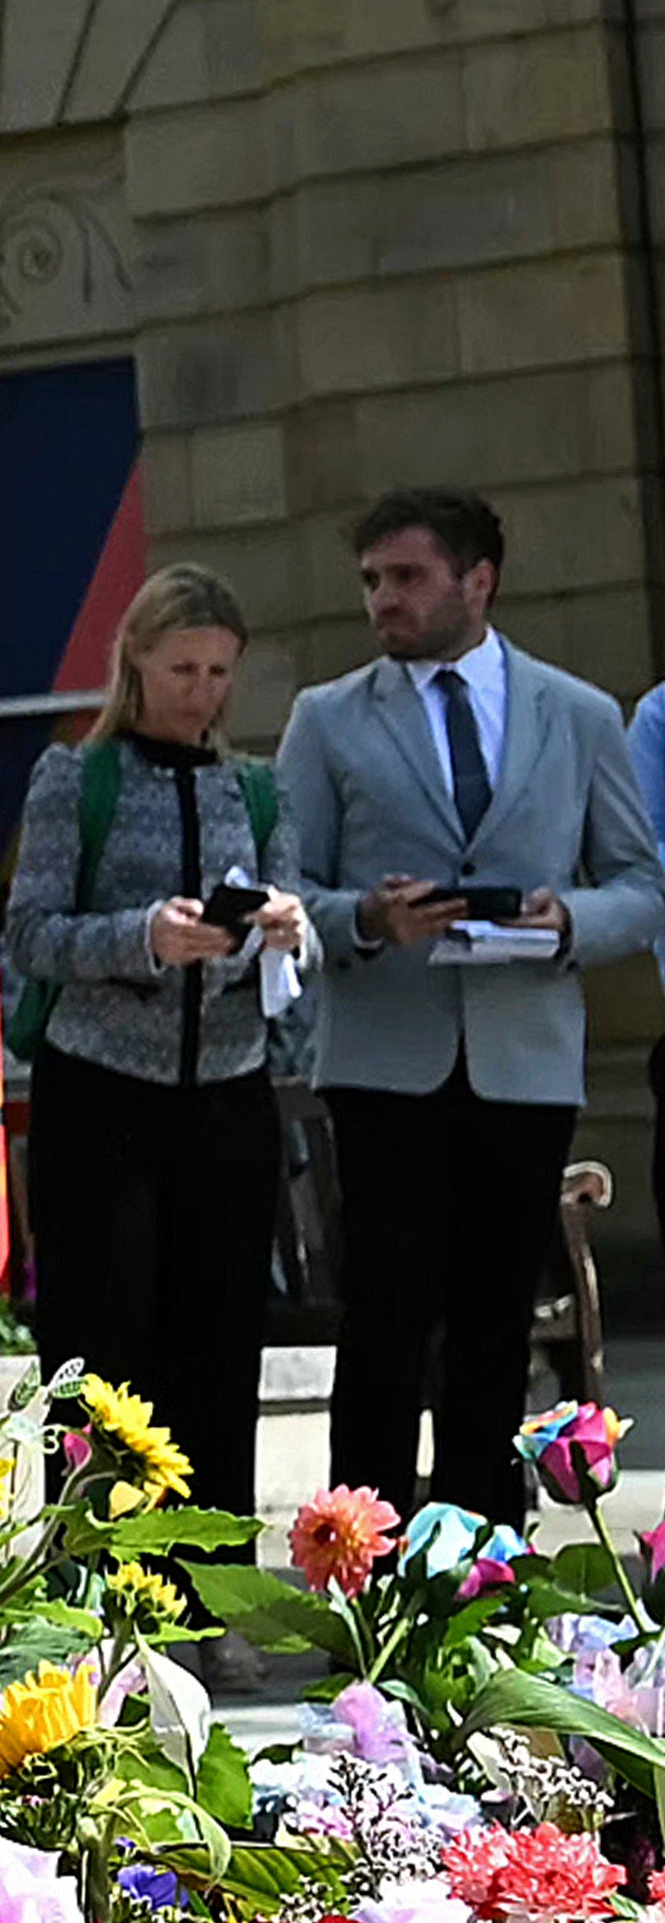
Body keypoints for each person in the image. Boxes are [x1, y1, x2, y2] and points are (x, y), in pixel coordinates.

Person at [282, 482, 660, 1518]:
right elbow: (285, 889)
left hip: (521, 1053)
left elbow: (638, 884)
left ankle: (481, 1576)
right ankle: (359, 1568)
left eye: (404, 577)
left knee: (493, 1323)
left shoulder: (576, 715)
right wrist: (364, 916)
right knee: (383, 1325)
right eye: (368, 581)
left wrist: (566, 920)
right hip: (381, 1059)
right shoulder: (324, 719)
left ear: (475, 580)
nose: (379, 603)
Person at [0, 561, 310, 1523]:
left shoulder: (254, 788)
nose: (201, 693)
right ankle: (91, 1583)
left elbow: (296, 916)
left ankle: (213, 1590)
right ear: (135, 660)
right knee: (98, 1353)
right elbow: (31, 933)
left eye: (218, 673)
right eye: (182, 670)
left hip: (227, 1091)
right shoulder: (74, 777)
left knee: (219, 1350)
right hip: (102, 1096)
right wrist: (143, 936)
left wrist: (290, 927)